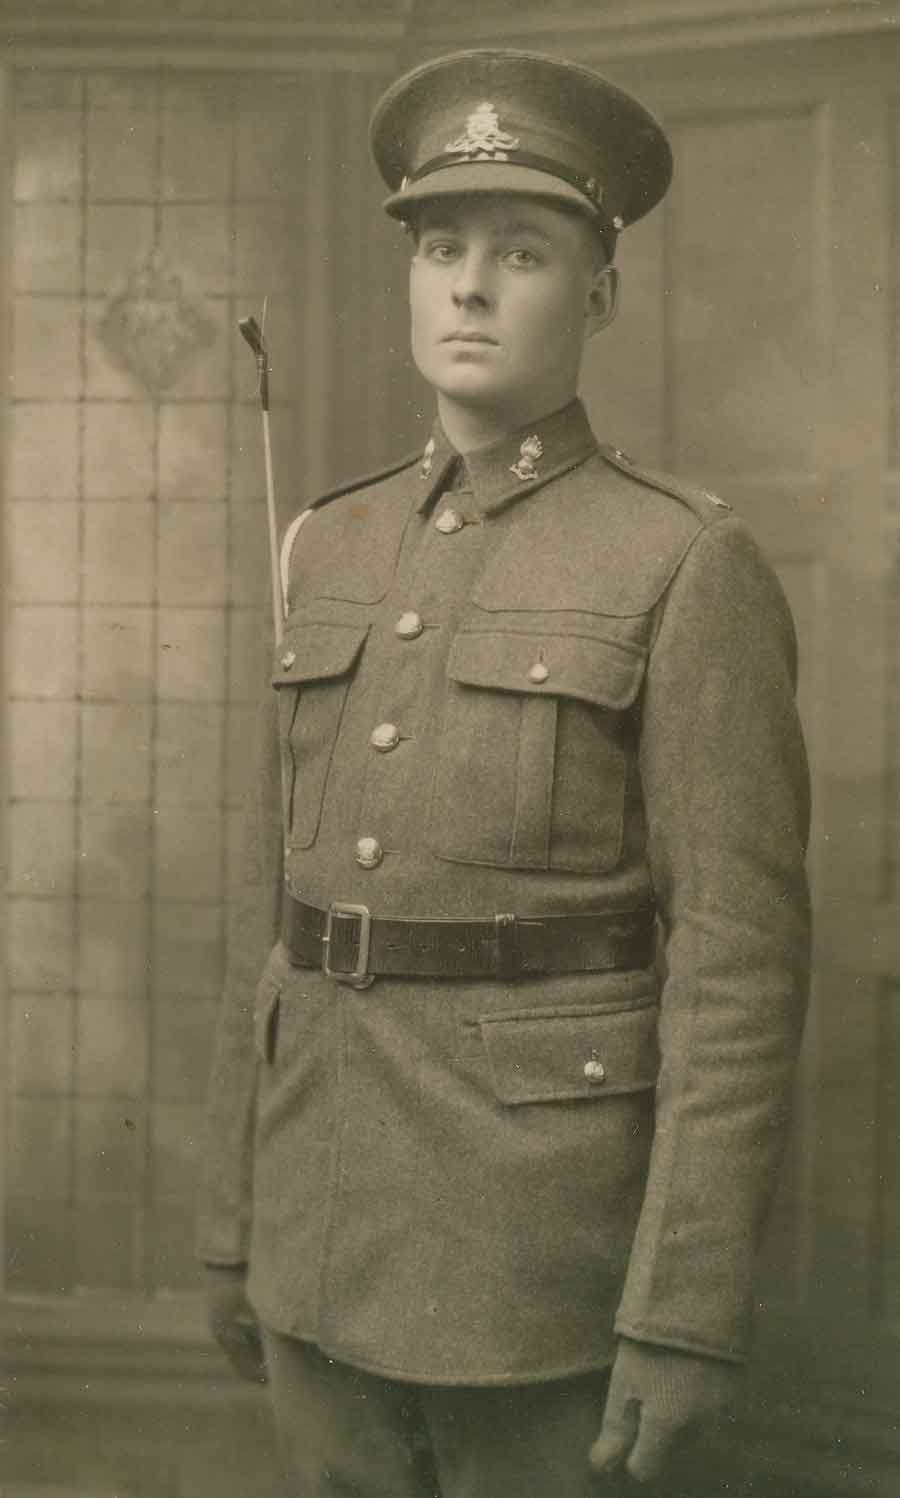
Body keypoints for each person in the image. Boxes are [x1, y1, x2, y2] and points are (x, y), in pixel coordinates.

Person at [198, 47, 811, 1497]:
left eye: (521, 253)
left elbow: (739, 965)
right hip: (319, 1242)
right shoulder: (327, 546)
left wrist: (683, 1316)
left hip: (543, 1279)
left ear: (595, 294)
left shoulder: (681, 561)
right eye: (443, 247)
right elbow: (274, 920)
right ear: (411, 278)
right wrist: (238, 1219)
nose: (469, 286)